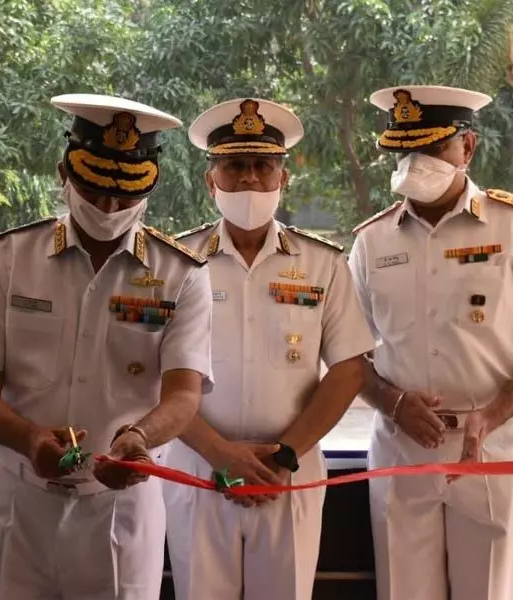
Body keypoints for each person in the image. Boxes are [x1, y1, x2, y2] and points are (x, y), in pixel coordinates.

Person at [0, 94, 213, 600]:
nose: (110, 208)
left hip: (121, 505)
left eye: (126, 196)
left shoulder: (181, 274)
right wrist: (28, 438)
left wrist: (139, 436)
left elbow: (184, 394)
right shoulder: (11, 258)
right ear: (64, 173)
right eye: (94, 191)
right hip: (19, 496)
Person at [349, 85, 513, 600]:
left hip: (494, 446)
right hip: (402, 448)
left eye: (430, 148)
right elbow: (348, 358)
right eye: (405, 151)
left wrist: (493, 414)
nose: (415, 163)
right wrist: (394, 402)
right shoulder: (371, 242)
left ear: (466, 148)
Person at [162, 98, 374, 600]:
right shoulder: (173, 263)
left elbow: (348, 370)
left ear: (284, 179)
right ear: (209, 181)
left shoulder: (323, 265)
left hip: (290, 473)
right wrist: (219, 453)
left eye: (263, 166)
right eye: (234, 166)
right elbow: (151, 370)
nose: (250, 180)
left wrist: (284, 456)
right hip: (197, 469)